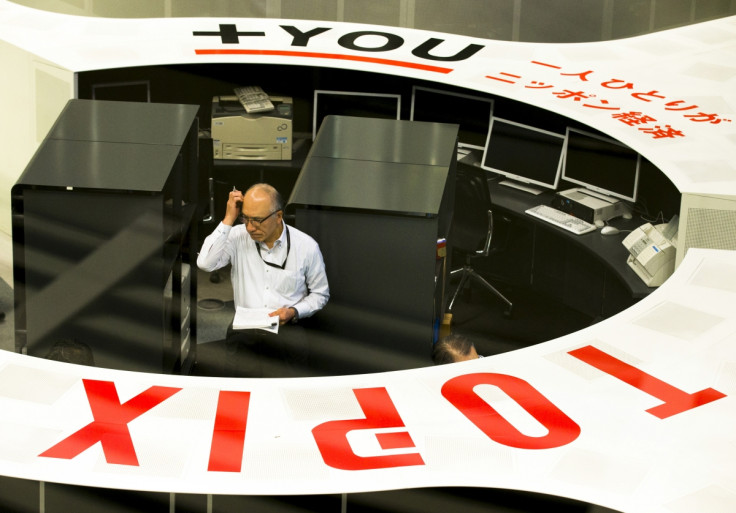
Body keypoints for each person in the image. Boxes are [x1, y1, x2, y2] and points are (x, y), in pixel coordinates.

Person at [197, 183, 329, 377]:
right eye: (246, 218)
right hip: (244, 329)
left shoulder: (306, 247)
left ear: (278, 216)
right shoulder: (237, 236)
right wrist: (229, 219)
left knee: (286, 395)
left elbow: (320, 294)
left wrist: (293, 311)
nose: (250, 227)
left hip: (286, 330)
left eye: (258, 220)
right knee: (239, 395)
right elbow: (205, 263)